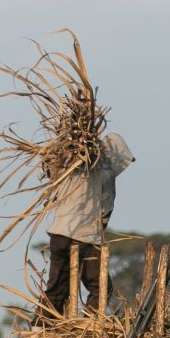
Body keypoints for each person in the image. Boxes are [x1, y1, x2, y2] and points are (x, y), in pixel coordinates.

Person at [42, 132, 136, 316]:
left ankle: (41, 325)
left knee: (56, 286)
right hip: (85, 238)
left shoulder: (70, 166)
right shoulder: (105, 171)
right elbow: (106, 207)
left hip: (58, 234)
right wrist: (101, 228)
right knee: (101, 287)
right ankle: (90, 325)